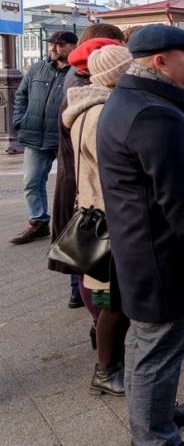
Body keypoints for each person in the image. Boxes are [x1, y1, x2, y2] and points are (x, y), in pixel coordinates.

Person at [96, 24, 184, 446]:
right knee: (157, 350)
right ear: (160, 61)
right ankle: (154, 437)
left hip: (147, 251)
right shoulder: (152, 112)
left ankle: (156, 415)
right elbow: (179, 195)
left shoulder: (135, 100)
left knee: (148, 346)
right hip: (165, 257)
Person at [63, 44, 133, 396]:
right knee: (112, 302)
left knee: (111, 299)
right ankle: (106, 370)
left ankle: (111, 366)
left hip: (98, 214)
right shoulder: (101, 112)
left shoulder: (87, 108)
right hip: (107, 219)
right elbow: (114, 170)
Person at [48, 27, 123, 309]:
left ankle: (93, 309)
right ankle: (99, 321)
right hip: (87, 186)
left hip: (77, 182)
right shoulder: (88, 90)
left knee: (85, 251)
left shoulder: (76, 77)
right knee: (91, 258)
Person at [10, 30, 76, 245]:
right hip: (35, 135)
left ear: (73, 46)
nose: (54, 48)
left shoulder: (77, 72)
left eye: (60, 44)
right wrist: (21, 120)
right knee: (31, 181)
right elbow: (21, 95)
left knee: (70, 185)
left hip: (64, 137)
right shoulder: (38, 67)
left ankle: (71, 225)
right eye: (52, 44)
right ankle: (38, 222)